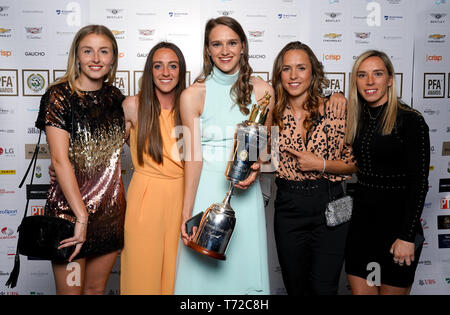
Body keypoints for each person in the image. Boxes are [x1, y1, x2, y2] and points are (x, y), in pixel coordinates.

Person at [173, 16, 275, 294]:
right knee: (201, 278)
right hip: (207, 190)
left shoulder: (264, 92)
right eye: (216, 44)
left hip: (246, 193)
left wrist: (256, 170)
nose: (225, 50)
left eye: (231, 42)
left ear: (243, 46)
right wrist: (187, 212)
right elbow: (191, 158)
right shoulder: (192, 95)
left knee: (243, 270)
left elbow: (265, 151)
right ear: (207, 49)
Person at [35, 25, 126, 295]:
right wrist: (81, 217)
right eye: (88, 51)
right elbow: (60, 160)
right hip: (70, 216)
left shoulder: (116, 99)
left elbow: (110, 149)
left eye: (103, 51)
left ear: (113, 58)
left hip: (109, 215)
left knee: (96, 291)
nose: (96, 58)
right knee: (71, 293)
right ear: (77, 56)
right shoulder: (59, 96)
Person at [271, 41, 356, 295]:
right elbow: (258, 155)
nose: (294, 76)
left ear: (314, 72)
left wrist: (318, 164)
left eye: (301, 68)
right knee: (296, 288)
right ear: (279, 74)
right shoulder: (272, 112)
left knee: (325, 288)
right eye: (287, 69)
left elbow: (353, 165)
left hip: (332, 201)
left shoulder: (336, 108)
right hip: (289, 206)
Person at [344, 50, 430, 295]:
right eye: (362, 75)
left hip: (397, 233)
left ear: (390, 79)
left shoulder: (411, 121)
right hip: (362, 231)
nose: (370, 81)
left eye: (377, 74)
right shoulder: (357, 118)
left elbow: (419, 183)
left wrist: (406, 236)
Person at [120, 42, 186, 294]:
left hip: (182, 198)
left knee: (177, 277)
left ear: (181, 71)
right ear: (150, 71)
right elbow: (105, 150)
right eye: (158, 66)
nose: (165, 73)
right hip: (145, 198)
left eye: (173, 66)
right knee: (141, 273)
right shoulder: (132, 106)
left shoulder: (190, 107)